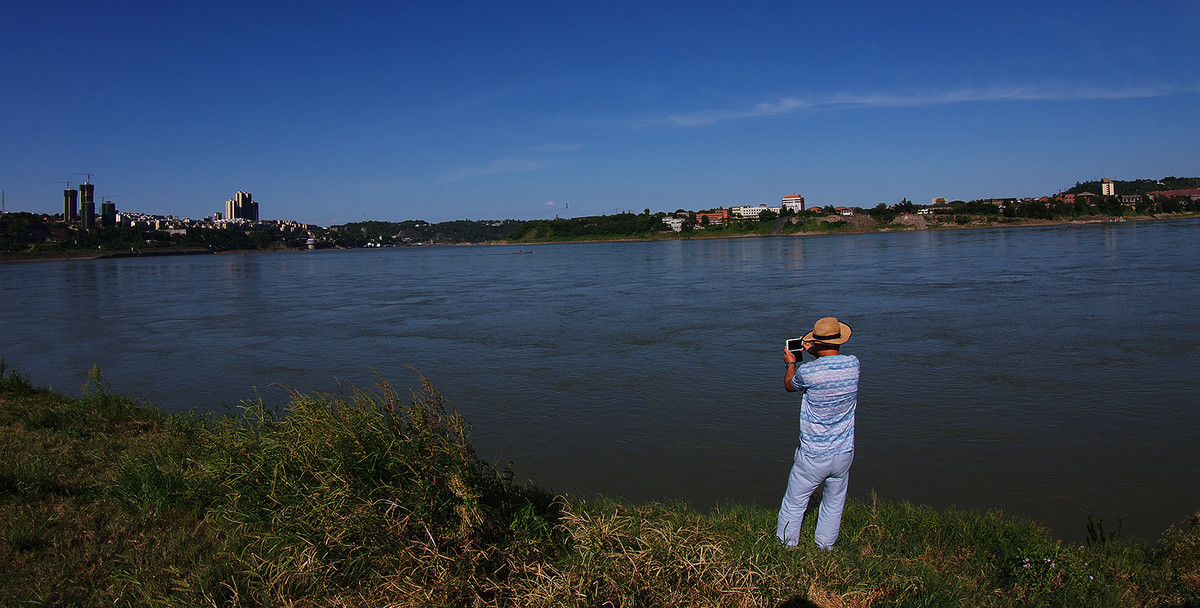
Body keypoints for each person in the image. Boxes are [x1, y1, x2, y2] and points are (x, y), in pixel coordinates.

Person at [777, 316, 860, 550]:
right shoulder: (853, 365)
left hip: (814, 453)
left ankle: (786, 547)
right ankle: (824, 546)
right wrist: (814, 349)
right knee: (833, 503)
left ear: (816, 342)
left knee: (795, 502)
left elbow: (790, 385)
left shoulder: (808, 372)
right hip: (843, 452)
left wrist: (790, 363)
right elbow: (830, 361)